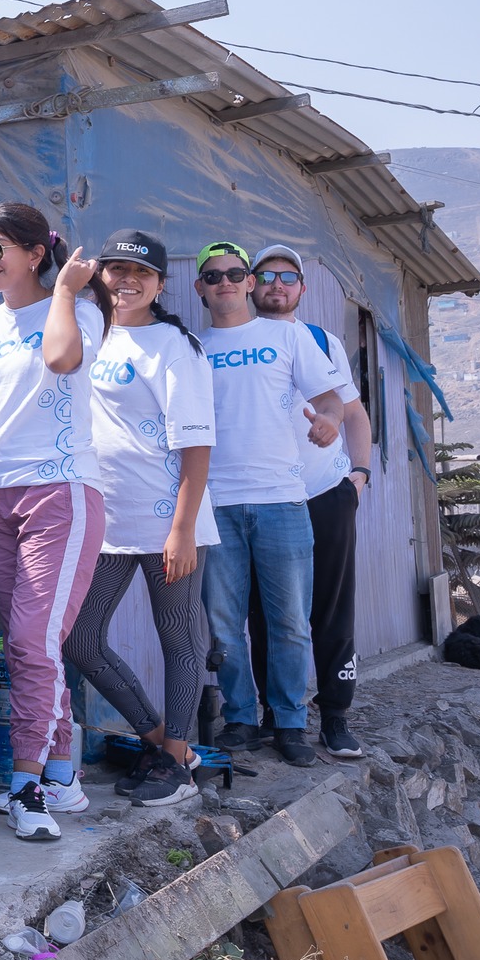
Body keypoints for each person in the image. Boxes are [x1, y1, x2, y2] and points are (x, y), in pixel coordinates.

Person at [0, 202, 111, 842]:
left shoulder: (79, 311)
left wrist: (65, 291)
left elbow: (58, 360)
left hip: (60, 492)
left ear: (33, 252)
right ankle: (62, 773)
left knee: (31, 643)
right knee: (28, 644)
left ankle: (27, 788)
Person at [63, 231, 217, 808]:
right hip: (105, 517)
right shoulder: (86, 331)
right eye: (116, 270)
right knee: (79, 637)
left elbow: (197, 447)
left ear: (158, 283)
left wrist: (182, 528)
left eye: (141, 273)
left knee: (178, 639)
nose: (127, 281)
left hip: (167, 518)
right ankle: (162, 743)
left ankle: (176, 759)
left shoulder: (175, 346)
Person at [192, 242, 347, 767]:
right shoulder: (191, 346)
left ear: (250, 283)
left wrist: (328, 420)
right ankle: (239, 718)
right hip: (215, 505)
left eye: (236, 273)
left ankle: (289, 723)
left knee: (289, 623)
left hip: (283, 500)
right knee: (224, 623)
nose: (226, 282)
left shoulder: (288, 335)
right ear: (200, 288)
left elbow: (331, 398)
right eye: (214, 276)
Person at [244, 245, 372, 762]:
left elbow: (354, 413)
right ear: (250, 284)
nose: (277, 284)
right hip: (266, 498)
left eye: (288, 276)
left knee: (331, 606)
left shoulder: (321, 341)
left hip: (324, 492)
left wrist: (356, 479)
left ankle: (335, 715)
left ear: (301, 288)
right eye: (267, 275)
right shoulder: (232, 341)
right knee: (266, 613)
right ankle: (277, 715)